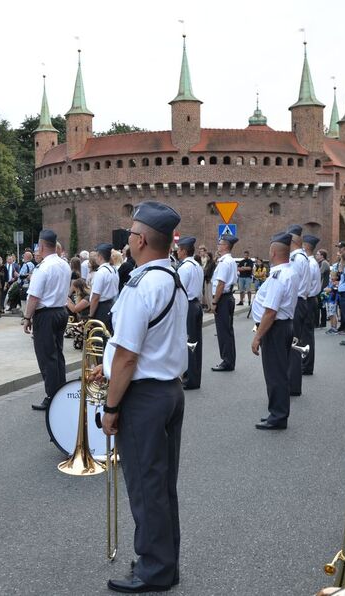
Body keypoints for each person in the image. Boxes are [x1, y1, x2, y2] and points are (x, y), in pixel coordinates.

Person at [96, 201, 187, 593]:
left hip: (144, 397)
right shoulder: (172, 278)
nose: (128, 240)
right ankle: (165, 562)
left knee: (146, 486)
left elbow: (130, 356)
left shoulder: (140, 284)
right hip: (168, 390)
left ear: (144, 240)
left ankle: (153, 570)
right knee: (162, 484)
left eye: (131, 234)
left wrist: (111, 407)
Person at [250, 232, 297, 430]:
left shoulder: (278, 276)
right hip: (283, 326)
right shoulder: (290, 272)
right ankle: (277, 412)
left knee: (275, 374)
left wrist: (257, 337)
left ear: (274, 251)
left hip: (275, 328)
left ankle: (277, 416)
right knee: (279, 372)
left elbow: (270, 312)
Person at [24, 230, 71, 411]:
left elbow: (34, 297)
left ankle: (52, 396)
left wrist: (27, 317)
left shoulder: (43, 267)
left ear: (42, 246)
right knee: (58, 355)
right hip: (61, 311)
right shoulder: (63, 264)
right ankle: (61, 391)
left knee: (47, 358)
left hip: (46, 315)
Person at [286, 225, 312, 394]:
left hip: (296, 303)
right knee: (295, 344)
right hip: (301, 302)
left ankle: (293, 385)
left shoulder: (296, 259)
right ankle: (293, 383)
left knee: (293, 345)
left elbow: (291, 284)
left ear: (293, 240)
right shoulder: (302, 257)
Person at [176, 236, 204, 390]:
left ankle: (190, 378)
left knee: (189, 343)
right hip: (196, 305)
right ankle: (193, 375)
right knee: (195, 343)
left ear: (184, 251)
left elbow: (180, 290)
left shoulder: (184, 267)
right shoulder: (197, 265)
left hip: (188, 306)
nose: (177, 252)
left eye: (179, 250)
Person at [211, 234, 238, 372]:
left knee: (223, 332)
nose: (218, 245)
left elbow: (221, 284)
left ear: (226, 246)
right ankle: (230, 360)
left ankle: (226, 361)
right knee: (228, 330)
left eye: (220, 243)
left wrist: (215, 301)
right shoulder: (230, 261)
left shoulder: (224, 262)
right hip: (228, 298)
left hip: (223, 298)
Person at [302, 235, 322, 376]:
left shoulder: (309, 263)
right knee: (306, 335)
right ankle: (306, 364)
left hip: (308, 300)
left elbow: (306, 285)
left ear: (306, 246)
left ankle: (307, 365)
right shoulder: (312, 262)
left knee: (306, 335)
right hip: (311, 299)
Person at [89, 242, 118, 333]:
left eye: (97, 256)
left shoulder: (101, 272)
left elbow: (95, 297)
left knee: (99, 336)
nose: (96, 258)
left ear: (100, 257)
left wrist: (91, 315)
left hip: (101, 308)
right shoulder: (114, 270)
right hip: (111, 305)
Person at [316, 249, 330, 327]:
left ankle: (322, 322)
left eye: (318, 254)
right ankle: (320, 322)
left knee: (321, 305)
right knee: (320, 305)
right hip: (321, 287)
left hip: (323, 287)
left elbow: (319, 273)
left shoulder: (324, 263)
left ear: (322, 256)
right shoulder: (319, 263)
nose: (316, 256)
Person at [197, 246, 214, 312]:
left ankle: (211, 307)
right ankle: (209, 307)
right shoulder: (208, 262)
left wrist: (204, 272)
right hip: (206, 278)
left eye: (207, 256)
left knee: (209, 294)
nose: (207, 257)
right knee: (206, 294)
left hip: (209, 279)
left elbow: (209, 271)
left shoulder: (211, 263)